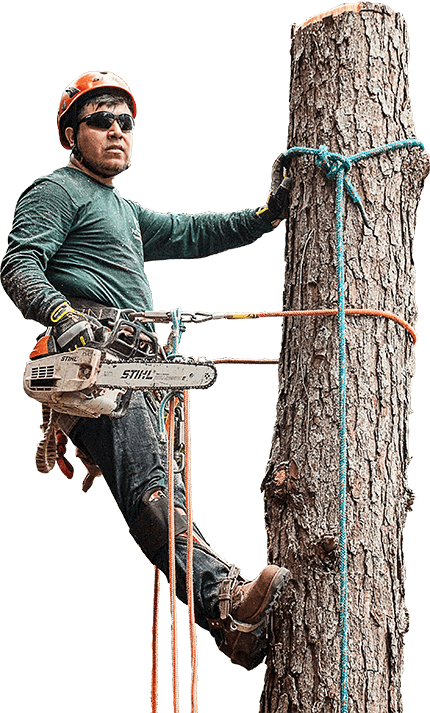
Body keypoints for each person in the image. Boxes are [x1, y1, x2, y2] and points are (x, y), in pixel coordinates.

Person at [1, 70, 291, 671]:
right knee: (152, 493)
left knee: (170, 497)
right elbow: (19, 264)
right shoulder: (57, 191)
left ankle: (226, 628)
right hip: (98, 359)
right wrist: (62, 315)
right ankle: (223, 595)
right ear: (68, 134)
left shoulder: (124, 211)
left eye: (125, 122)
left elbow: (190, 232)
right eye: (100, 121)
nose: (116, 132)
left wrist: (266, 216)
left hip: (141, 365)